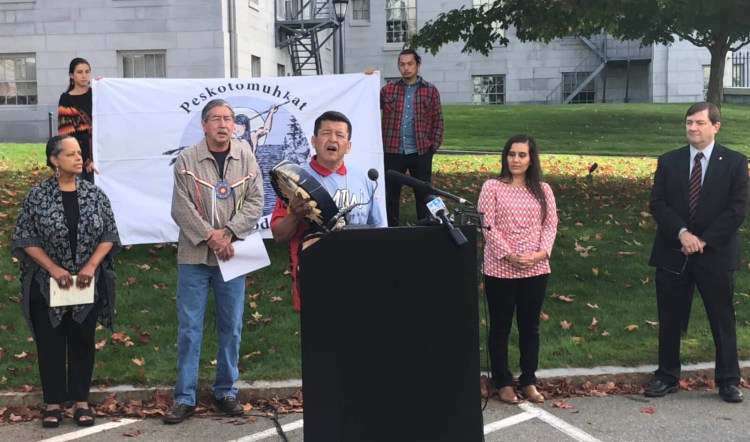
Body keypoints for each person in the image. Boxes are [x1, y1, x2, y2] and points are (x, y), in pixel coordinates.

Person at [164, 99, 264, 424]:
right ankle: (184, 398)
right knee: (189, 329)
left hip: (233, 253)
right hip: (194, 256)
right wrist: (211, 236)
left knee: (231, 328)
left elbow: (256, 200)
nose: (224, 124)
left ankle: (225, 392)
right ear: (204, 124)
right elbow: (180, 208)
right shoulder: (187, 158)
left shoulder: (245, 156)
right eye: (217, 119)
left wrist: (230, 233)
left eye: (229, 119)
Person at [11, 135, 120, 428]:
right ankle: (53, 403)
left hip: (86, 282)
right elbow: (24, 237)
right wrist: (54, 268)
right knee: (50, 342)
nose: (78, 158)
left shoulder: (94, 195)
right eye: (70, 153)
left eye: (79, 153)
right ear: (54, 160)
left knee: (83, 340)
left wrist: (91, 265)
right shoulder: (37, 196)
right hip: (47, 284)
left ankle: (82, 401)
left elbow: (109, 234)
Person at [645, 102, 748, 403]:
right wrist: (683, 234)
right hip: (673, 251)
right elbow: (658, 203)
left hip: (715, 253)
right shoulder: (669, 161)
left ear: (715, 126)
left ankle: (728, 380)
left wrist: (703, 240)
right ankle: (666, 375)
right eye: (688, 122)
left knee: (722, 318)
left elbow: (737, 210)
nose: (692, 128)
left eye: (699, 123)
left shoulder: (735, 162)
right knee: (670, 317)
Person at [270, 111, 383, 311]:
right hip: (314, 277)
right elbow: (278, 234)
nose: (332, 139)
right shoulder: (295, 180)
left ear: (348, 146)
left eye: (340, 135)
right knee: (319, 340)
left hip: (358, 275)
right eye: (326, 133)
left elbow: (378, 230)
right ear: (314, 140)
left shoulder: (363, 179)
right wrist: (294, 215)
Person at [477, 134, 558, 405]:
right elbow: (487, 225)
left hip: (535, 267)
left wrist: (539, 253)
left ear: (531, 159)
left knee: (529, 326)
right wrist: (509, 255)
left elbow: (550, 225)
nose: (516, 160)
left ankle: (528, 379)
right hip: (501, 267)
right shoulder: (492, 187)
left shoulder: (543, 189)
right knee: (500, 326)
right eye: (511, 154)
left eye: (522, 155)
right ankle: (502, 381)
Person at [380, 48, 443, 226]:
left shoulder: (430, 91)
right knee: (390, 194)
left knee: (423, 193)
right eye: (402, 64)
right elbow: (368, 103)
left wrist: (433, 146)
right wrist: (366, 78)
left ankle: (424, 228)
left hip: (420, 150)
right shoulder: (388, 89)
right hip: (392, 150)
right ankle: (391, 229)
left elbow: (438, 120)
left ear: (418, 65)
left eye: (410, 64)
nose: (406, 68)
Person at [58, 58, 97, 183]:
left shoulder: (97, 93)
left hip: (102, 152)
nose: (84, 76)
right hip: (80, 156)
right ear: (71, 75)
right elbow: (67, 134)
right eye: (79, 72)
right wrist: (85, 159)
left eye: (87, 72)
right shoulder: (66, 100)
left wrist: (105, 85)